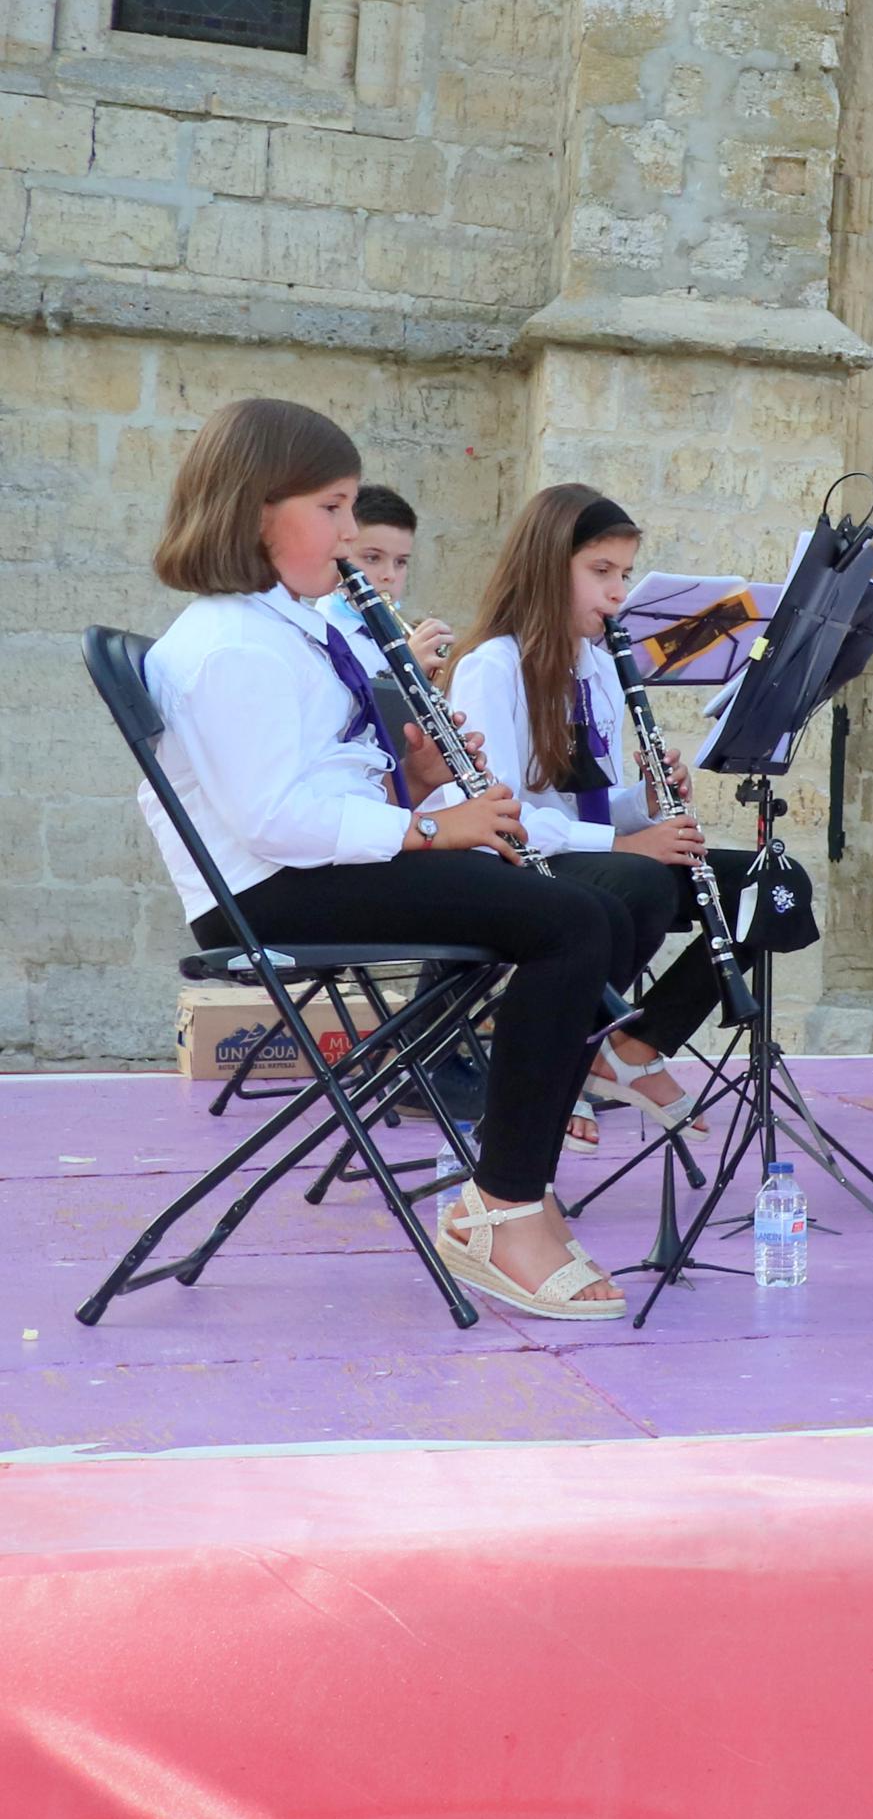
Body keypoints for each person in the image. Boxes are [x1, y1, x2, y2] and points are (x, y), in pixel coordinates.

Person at [135, 400, 630, 1319]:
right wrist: (436, 829)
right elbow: (277, 819)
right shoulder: (228, 645)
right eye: (331, 506)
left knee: (586, 914)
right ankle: (502, 1206)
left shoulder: (282, 624)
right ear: (253, 509)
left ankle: (518, 1185)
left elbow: (320, 777)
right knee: (567, 922)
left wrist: (416, 777)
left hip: (306, 873)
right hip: (271, 894)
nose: (350, 531)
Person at [447, 484, 758, 1146]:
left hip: (586, 850)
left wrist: (648, 801)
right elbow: (501, 813)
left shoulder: (598, 669)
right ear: (545, 566)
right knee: (637, 882)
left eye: (623, 573)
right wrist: (633, 843)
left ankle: (632, 1049)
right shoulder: (491, 668)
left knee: (772, 883)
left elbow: (589, 793)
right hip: (522, 862)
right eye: (601, 572)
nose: (619, 593)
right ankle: (563, 1049)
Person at [340, 483, 456, 683]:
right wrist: (408, 669)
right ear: (340, 553)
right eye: (372, 558)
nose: (390, 575)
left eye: (400, 562)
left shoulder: (401, 634)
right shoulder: (323, 636)